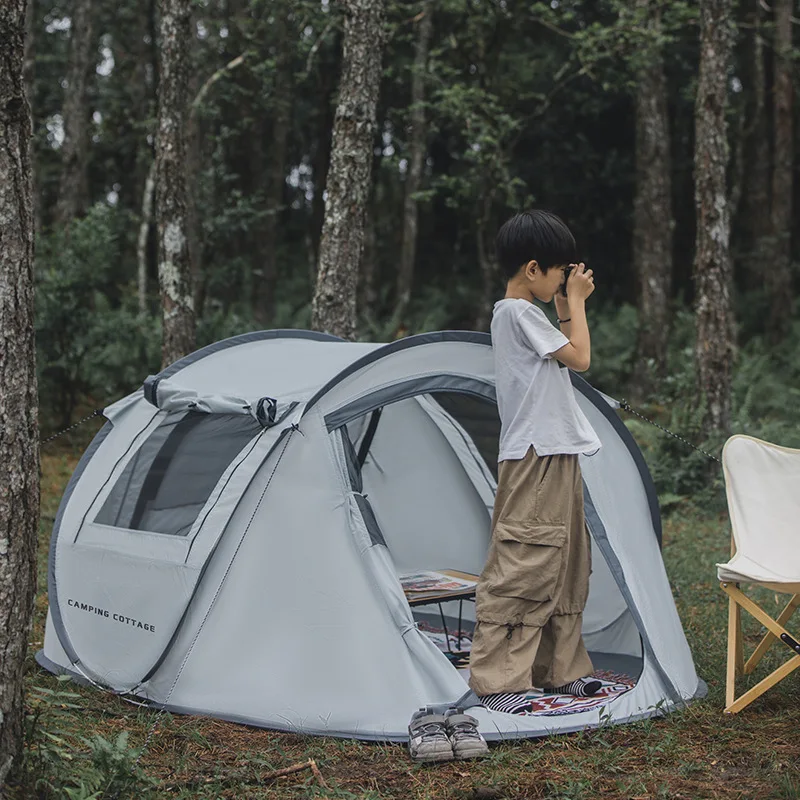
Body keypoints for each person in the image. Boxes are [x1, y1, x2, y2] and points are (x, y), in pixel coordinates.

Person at [467, 210, 603, 713]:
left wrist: (566, 303)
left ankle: (558, 670)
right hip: (534, 457)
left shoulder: (525, 315)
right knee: (525, 562)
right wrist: (579, 303)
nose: (562, 281)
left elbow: (567, 349)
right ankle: (501, 682)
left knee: (565, 565)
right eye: (558, 272)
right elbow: (581, 357)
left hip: (556, 452)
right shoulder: (517, 313)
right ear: (531, 269)